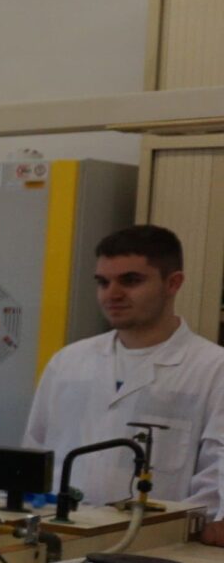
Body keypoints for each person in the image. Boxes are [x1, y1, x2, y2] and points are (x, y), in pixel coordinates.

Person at [23, 224, 224, 539]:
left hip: (161, 548)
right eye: (103, 282)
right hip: (59, 538)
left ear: (173, 283)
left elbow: (216, 479)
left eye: (130, 281)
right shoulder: (68, 363)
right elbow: (34, 456)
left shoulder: (213, 368)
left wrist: (184, 534)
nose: (112, 294)